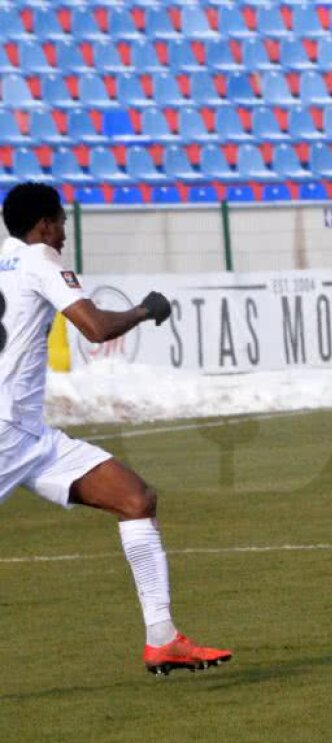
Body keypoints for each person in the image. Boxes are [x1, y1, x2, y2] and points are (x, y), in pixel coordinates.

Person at [0, 183, 232, 675]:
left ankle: (162, 637)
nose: (64, 233)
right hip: (5, 434)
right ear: (43, 225)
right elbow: (96, 328)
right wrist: (146, 310)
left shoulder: (6, 259)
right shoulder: (41, 258)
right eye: (60, 222)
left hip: (29, 436)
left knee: (135, 498)